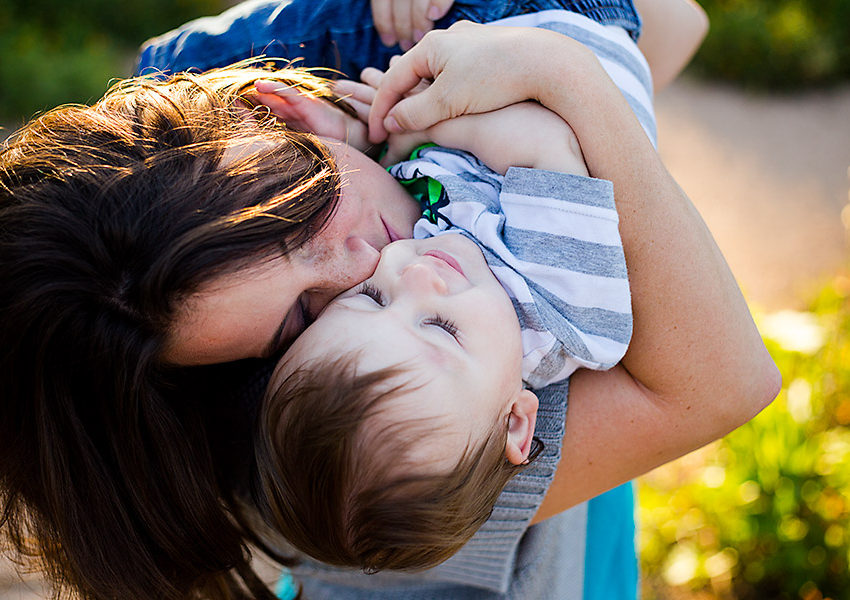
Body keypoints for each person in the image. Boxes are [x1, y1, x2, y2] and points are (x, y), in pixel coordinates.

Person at [0, 3, 777, 600]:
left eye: (300, 200)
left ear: (258, 115)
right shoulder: (373, 441)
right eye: (306, 316)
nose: (381, 263)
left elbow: (674, 27)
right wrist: (556, 68)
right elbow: (731, 382)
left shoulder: (309, 82)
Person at [253, 12, 638, 569]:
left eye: (371, 300)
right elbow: (543, 140)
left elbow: (422, 176)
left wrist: (361, 141)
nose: (411, 278)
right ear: (517, 421)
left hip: (484, 56)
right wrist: (413, 125)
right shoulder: (565, 314)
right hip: (567, 25)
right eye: (440, 327)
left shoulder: (458, 289)